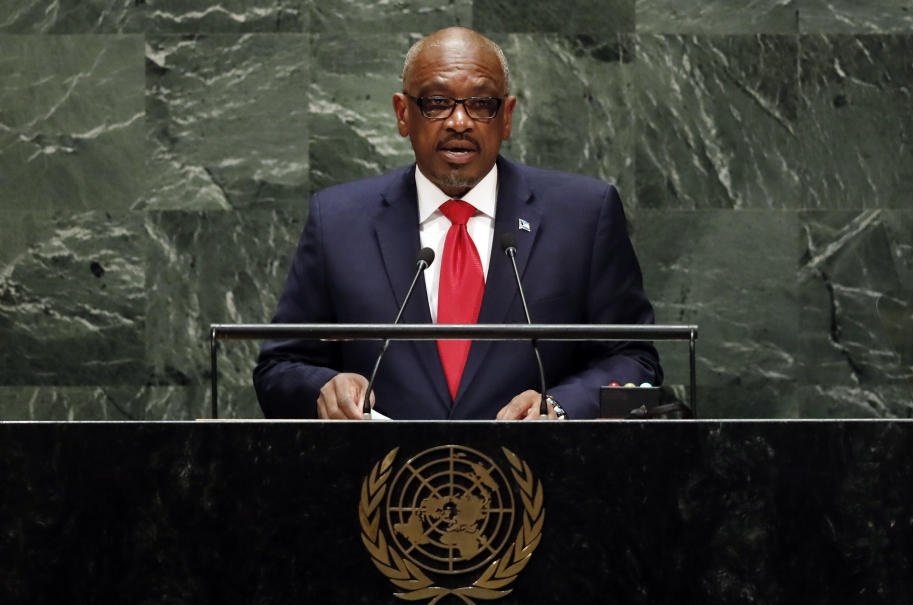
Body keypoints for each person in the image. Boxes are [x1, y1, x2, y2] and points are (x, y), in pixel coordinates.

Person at [253, 27, 662, 420]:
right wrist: (323, 388)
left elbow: (635, 359)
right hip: (382, 483)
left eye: (481, 104)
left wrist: (561, 406)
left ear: (506, 117)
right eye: (436, 102)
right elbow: (280, 367)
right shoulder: (338, 222)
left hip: (542, 478)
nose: (459, 122)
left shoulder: (584, 215)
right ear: (402, 114)